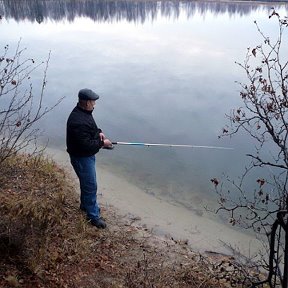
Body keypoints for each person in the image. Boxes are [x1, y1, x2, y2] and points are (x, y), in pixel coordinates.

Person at [66, 88, 112, 229]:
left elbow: (90, 129)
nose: (94, 104)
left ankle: (84, 206)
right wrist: (102, 143)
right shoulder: (78, 121)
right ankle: (93, 217)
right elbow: (86, 146)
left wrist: (99, 133)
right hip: (81, 158)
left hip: (85, 156)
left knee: (86, 184)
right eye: (93, 102)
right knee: (90, 186)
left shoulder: (84, 112)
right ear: (86, 102)